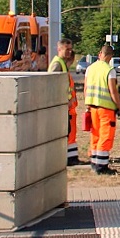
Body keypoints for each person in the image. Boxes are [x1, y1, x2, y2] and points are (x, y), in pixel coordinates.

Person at [83, 44, 120, 175]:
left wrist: (88, 105)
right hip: (106, 109)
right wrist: (119, 107)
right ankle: (102, 167)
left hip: (92, 107)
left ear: (100, 53)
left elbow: (85, 89)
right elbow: (113, 92)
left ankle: (94, 163)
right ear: (111, 57)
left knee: (95, 134)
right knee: (106, 135)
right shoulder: (109, 70)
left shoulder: (90, 69)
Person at [48, 37, 81, 166]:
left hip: (66, 106)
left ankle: (70, 158)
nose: (69, 52)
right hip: (62, 106)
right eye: (67, 49)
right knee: (65, 133)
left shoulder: (61, 63)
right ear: (59, 49)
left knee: (69, 132)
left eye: (70, 50)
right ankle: (66, 159)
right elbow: (52, 86)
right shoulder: (57, 64)